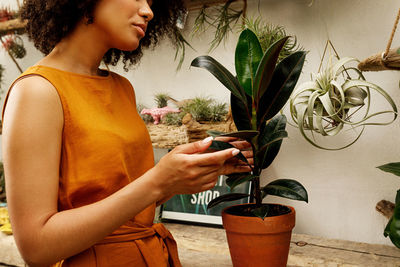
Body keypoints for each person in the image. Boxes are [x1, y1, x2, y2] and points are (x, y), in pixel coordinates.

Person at [1, 0, 253, 266]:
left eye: (152, 2)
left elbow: (122, 199)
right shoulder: (36, 91)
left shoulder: (121, 88)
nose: (148, 11)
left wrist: (185, 172)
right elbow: (36, 248)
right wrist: (157, 182)